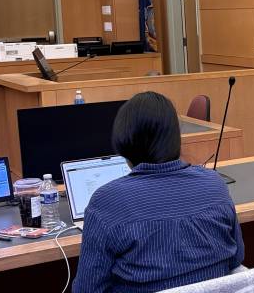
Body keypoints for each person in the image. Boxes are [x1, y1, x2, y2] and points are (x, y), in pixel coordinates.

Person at [73, 91, 244, 293]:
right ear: (175, 137)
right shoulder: (215, 184)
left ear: (123, 141)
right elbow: (236, 258)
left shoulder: (107, 202)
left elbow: (87, 289)